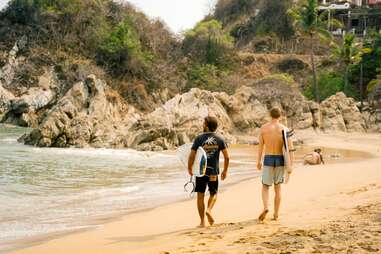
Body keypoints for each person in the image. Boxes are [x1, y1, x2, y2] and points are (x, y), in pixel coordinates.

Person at [188, 116, 230, 228]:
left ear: (206, 125)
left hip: (201, 172)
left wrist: (189, 168)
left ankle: (202, 222)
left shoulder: (199, 139)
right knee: (213, 193)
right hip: (213, 172)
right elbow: (227, 157)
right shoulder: (220, 139)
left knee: (200, 196)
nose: (202, 124)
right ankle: (209, 210)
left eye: (203, 122)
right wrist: (225, 171)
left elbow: (192, 155)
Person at [256, 108, 294, 221]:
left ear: (269, 115)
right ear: (280, 116)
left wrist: (258, 161)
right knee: (278, 188)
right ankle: (276, 214)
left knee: (265, 186)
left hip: (268, 158)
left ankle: (266, 207)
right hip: (280, 159)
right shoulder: (284, 129)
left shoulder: (263, 128)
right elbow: (290, 149)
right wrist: (290, 165)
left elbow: (260, 147)